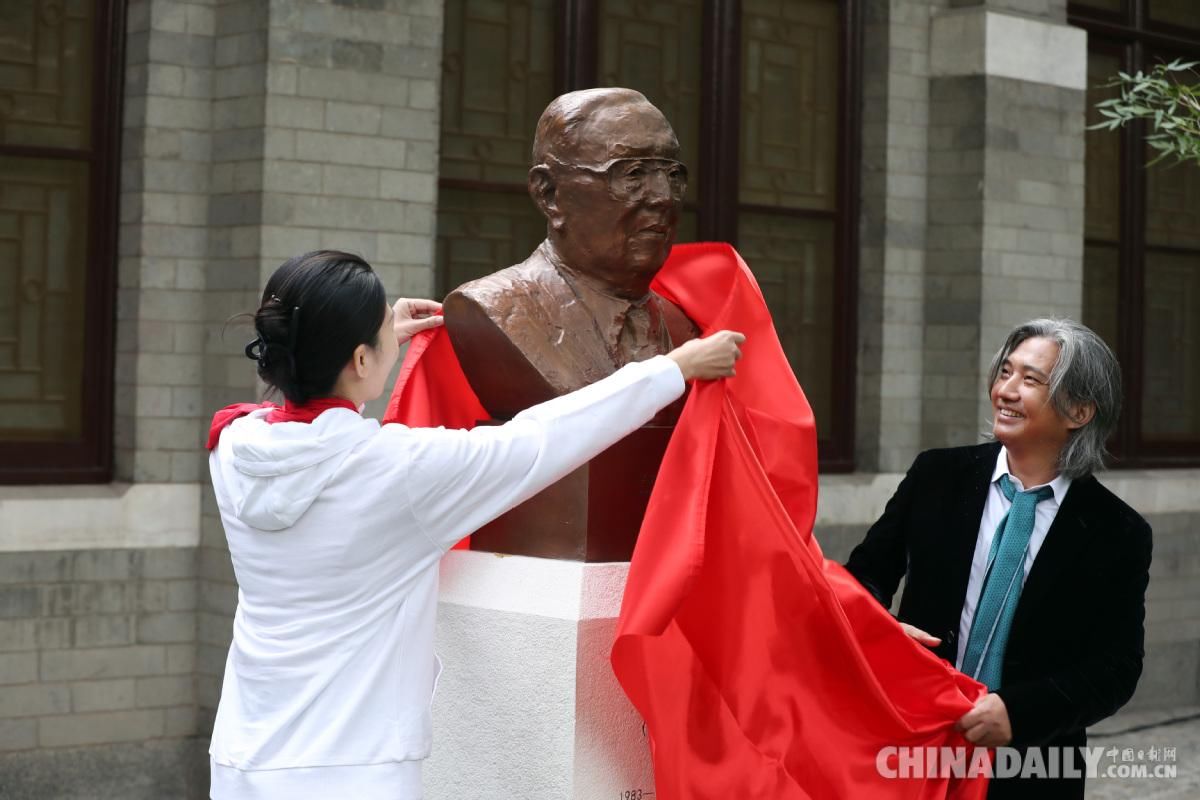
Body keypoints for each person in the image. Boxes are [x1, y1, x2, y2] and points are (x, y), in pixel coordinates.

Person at [205, 250, 744, 799]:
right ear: (360, 361)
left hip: (245, 753)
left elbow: (319, 441)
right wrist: (673, 369)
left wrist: (379, 336)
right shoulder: (401, 472)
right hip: (353, 767)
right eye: (378, 335)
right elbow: (537, 442)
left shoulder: (234, 447)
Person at [845, 318, 1152, 799]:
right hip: (909, 744)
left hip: (1030, 763)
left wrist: (1019, 711)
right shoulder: (936, 476)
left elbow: (1116, 667)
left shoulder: (1118, 532)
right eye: (1004, 372)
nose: (1005, 390)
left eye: (1030, 380)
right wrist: (879, 628)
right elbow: (862, 579)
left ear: (1079, 410)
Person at [442, 87, 699, 420]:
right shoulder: (495, 311)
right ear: (549, 194)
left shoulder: (686, 327)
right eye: (633, 173)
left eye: (672, 174)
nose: (663, 197)